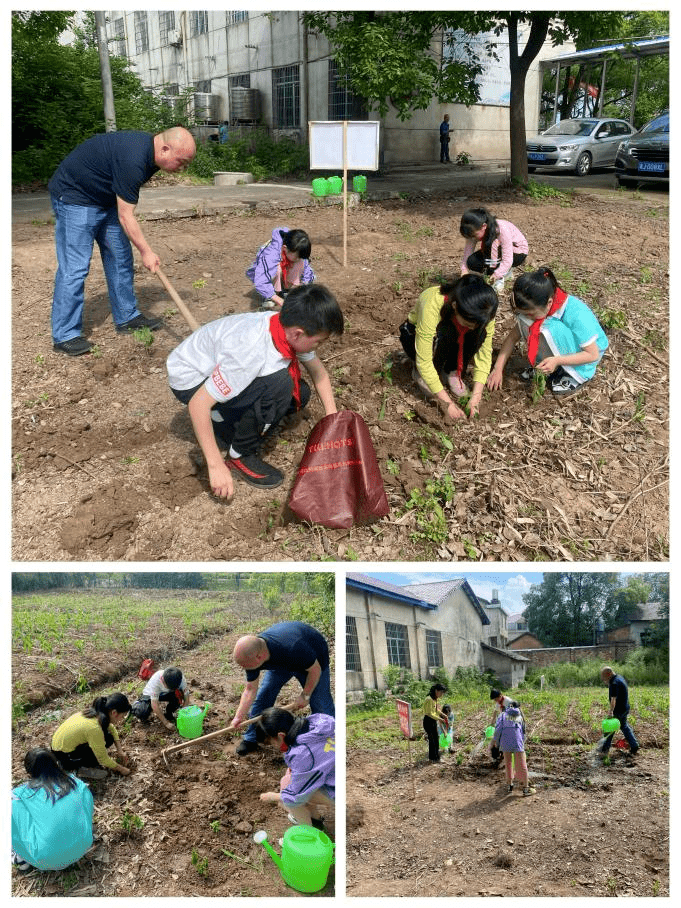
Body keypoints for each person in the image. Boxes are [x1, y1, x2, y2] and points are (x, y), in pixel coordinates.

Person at [167, 283, 344, 496]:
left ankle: (222, 418)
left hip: (217, 367)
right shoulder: (249, 351)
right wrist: (215, 465)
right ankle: (239, 455)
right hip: (191, 382)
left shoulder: (286, 329)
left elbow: (319, 373)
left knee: (300, 393)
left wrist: (332, 418)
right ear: (298, 334)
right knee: (280, 384)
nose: (318, 347)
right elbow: (198, 404)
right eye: (318, 342)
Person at [49, 126, 196, 356]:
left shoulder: (151, 156)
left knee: (120, 257)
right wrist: (147, 251)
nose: (182, 168)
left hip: (104, 200)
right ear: (165, 149)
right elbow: (126, 216)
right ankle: (65, 335)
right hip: (75, 196)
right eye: (181, 162)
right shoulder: (134, 159)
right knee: (75, 267)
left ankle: (127, 317)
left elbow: (122, 203)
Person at [487, 267, 609, 399]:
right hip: (565, 347)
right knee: (532, 323)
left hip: (586, 354)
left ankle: (574, 375)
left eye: (530, 313)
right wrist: (498, 369)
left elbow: (592, 355)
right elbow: (512, 338)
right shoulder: (539, 305)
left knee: (548, 327)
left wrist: (557, 360)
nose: (528, 317)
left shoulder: (577, 314)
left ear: (549, 303)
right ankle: (546, 365)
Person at [399, 273, 498, 419]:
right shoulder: (433, 302)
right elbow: (424, 361)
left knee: (479, 334)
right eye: (467, 324)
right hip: (413, 336)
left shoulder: (484, 312)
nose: (471, 328)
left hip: (453, 334)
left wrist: (475, 399)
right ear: (455, 306)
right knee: (445, 332)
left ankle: (451, 371)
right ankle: (422, 374)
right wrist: (447, 404)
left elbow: (484, 356)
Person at [230, 621, 334, 756]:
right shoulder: (252, 655)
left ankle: (329, 742)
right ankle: (251, 738)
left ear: (259, 657)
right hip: (281, 663)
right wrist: (238, 716)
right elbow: (250, 690)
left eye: (246, 666)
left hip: (313, 663)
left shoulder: (293, 647)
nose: (245, 669)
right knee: (264, 696)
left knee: (321, 704)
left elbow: (315, 670)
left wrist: (305, 695)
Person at [11, 748, 95, 872]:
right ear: (56, 763)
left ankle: (21, 859)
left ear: (29, 772)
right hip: (83, 845)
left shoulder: (19, 796)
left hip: (46, 860)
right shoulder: (76, 783)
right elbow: (88, 810)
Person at [256, 707, 335, 832]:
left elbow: (296, 796)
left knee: (291, 801)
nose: (273, 747)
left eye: (271, 743)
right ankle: (315, 820)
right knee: (288, 780)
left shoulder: (302, 754)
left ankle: (308, 835)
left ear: (281, 736)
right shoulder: (317, 722)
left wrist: (272, 796)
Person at [51, 693, 132, 777]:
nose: (122, 719)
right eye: (122, 716)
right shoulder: (94, 728)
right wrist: (122, 769)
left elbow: (111, 728)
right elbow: (103, 759)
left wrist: (120, 750)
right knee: (99, 754)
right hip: (65, 757)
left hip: (58, 748)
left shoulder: (94, 714)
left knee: (108, 738)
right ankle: (78, 769)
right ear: (114, 713)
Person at [459, 207, 528, 292]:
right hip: (496, 252)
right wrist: (464, 270)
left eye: (474, 235)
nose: (473, 238)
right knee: (472, 261)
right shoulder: (473, 229)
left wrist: (496, 274)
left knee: (492, 246)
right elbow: (468, 253)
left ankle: (499, 279)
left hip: (518, 252)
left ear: (484, 226)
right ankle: (504, 271)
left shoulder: (501, 229)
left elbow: (508, 258)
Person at [246, 227, 315, 309]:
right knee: (276, 269)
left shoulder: (297, 250)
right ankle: (271, 295)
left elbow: (307, 272)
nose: (299, 258)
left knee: (300, 263)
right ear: (285, 249)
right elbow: (260, 280)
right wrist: (278, 300)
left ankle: (285, 290)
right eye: (297, 256)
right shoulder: (270, 254)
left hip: (283, 267)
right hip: (261, 274)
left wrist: (305, 287)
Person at [492, 701, 535, 796]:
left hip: (505, 743)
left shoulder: (502, 716)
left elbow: (497, 732)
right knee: (522, 765)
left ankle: (509, 785)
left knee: (508, 764)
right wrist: (521, 743)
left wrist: (497, 745)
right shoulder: (520, 716)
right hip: (517, 743)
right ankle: (526, 788)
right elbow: (523, 732)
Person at [600, 666, 639, 756]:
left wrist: (610, 711)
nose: (603, 680)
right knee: (624, 726)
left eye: (604, 677)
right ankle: (634, 745)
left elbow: (614, 699)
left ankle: (605, 749)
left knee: (609, 729)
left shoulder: (614, 683)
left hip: (619, 710)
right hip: (625, 707)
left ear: (608, 674)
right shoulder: (619, 677)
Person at [423, 683, 448, 762]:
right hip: (428, 721)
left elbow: (436, 709)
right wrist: (440, 719)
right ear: (436, 691)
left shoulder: (434, 698)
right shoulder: (429, 699)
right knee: (432, 741)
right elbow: (430, 713)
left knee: (435, 740)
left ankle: (435, 757)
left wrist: (443, 714)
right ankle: (433, 758)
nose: (442, 695)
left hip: (433, 721)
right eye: (441, 692)